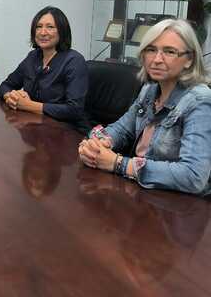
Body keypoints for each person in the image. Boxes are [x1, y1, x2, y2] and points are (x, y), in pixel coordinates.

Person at [79, 18, 211, 196]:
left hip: (178, 203)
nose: (157, 59)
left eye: (169, 51)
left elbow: (193, 176)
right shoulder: (150, 90)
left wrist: (118, 163)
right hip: (140, 191)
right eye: (151, 50)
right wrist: (96, 144)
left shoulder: (200, 101)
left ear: (189, 59)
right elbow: (122, 129)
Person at [0, 6, 88, 122]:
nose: (43, 32)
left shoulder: (74, 61)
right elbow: (5, 85)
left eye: (50, 27)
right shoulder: (33, 57)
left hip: (66, 128)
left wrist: (27, 105)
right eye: (39, 27)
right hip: (35, 124)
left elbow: (74, 110)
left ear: (62, 31)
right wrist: (11, 97)